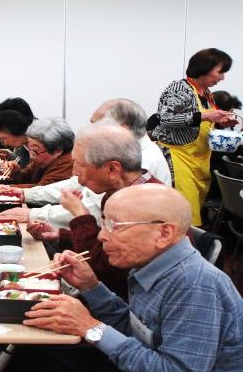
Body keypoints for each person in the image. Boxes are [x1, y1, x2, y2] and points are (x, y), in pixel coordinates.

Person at [24, 184, 243, 372]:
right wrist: (90, 286)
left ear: (163, 233)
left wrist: (91, 327)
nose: (101, 236)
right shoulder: (151, 264)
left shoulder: (195, 284)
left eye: (114, 226)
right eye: (103, 223)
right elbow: (138, 331)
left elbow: (175, 370)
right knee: (35, 353)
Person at [27, 122, 163, 299]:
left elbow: (104, 267)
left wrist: (80, 214)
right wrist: (61, 236)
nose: (75, 173)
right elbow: (105, 247)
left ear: (112, 169)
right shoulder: (120, 192)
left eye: (79, 164)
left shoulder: (145, 204)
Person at [2, 98, 171, 228]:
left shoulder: (144, 162)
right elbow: (77, 184)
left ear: (122, 130)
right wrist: (24, 195)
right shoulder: (123, 153)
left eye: (97, 126)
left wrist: (34, 214)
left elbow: (94, 209)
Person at [151, 48, 237, 226]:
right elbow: (165, 119)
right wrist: (204, 116)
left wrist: (222, 123)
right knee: (182, 218)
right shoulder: (179, 88)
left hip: (198, 162)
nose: (222, 78)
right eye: (220, 72)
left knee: (191, 215)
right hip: (178, 160)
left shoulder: (206, 94)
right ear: (205, 68)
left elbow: (203, 123)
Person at [0, 117, 74, 194]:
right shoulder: (42, 157)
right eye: (29, 148)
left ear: (57, 151)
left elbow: (40, 192)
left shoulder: (68, 164)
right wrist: (15, 172)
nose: (31, 155)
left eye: (35, 151)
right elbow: (27, 176)